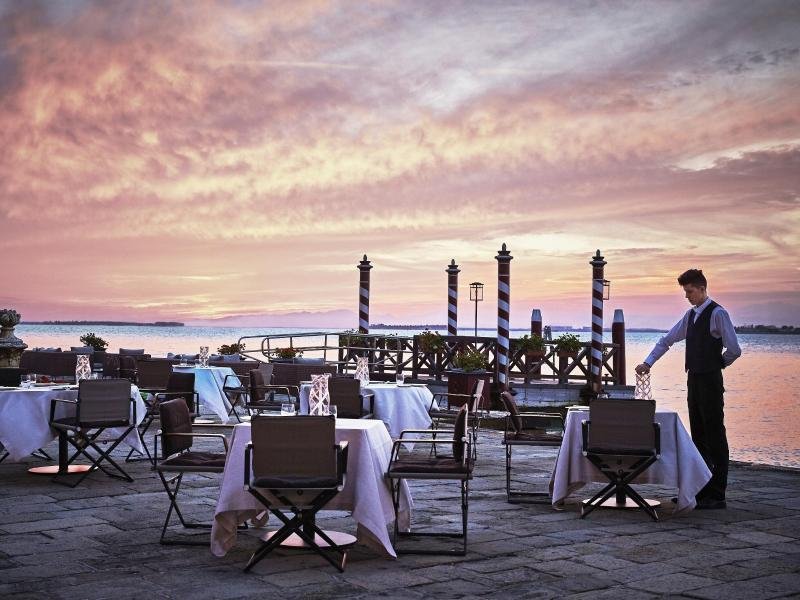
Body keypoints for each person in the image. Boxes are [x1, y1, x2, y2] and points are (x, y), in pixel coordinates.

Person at [635, 269, 741, 509]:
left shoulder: (718, 314)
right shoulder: (690, 316)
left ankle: (717, 494)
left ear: (702, 289)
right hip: (693, 379)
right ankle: (701, 490)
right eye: (685, 292)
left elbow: (734, 349)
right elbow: (667, 340)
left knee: (715, 434)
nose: (687, 296)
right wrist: (648, 362)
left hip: (711, 380)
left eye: (690, 291)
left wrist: (717, 364)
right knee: (699, 435)